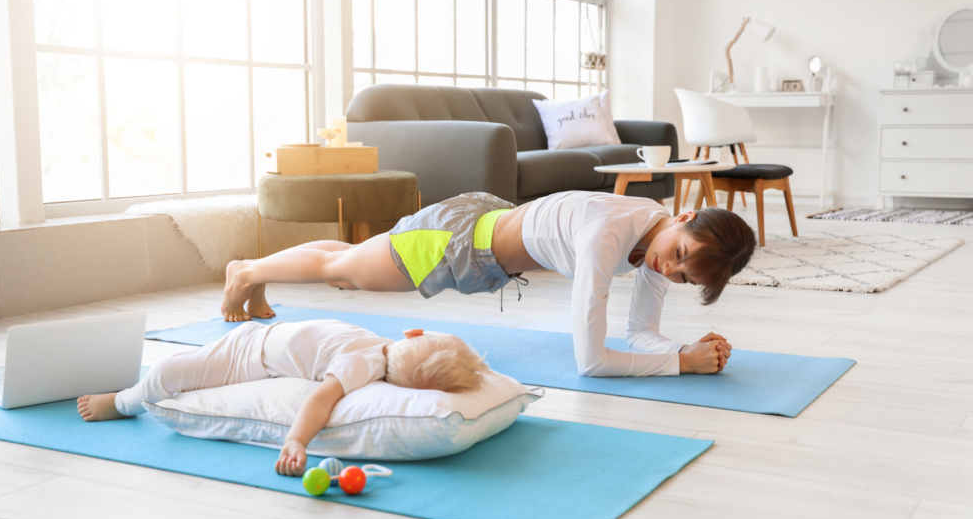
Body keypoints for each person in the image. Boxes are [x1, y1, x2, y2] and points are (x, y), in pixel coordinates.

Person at [220, 191, 757, 378]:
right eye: (680, 255)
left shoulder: (654, 231)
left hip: (485, 230)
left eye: (684, 276)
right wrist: (679, 364)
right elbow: (592, 361)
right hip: (457, 243)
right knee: (344, 274)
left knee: (349, 260)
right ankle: (245, 272)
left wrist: (681, 349)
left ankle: (254, 272)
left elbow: (640, 332)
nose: (670, 270)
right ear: (684, 215)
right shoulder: (608, 235)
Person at [77, 321, 487, 476]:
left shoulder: (360, 366)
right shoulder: (376, 346)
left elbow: (320, 401)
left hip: (246, 359)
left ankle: (123, 402)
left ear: (414, 334)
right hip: (258, 335)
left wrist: (297, 440)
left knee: (167, 372)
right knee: (180, 363)